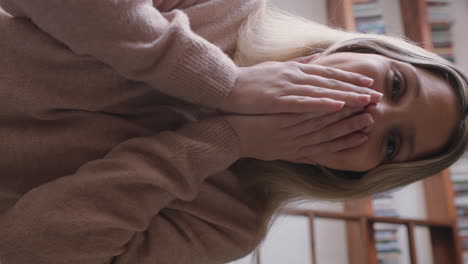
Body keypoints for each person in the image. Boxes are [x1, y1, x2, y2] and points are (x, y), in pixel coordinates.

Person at [0, 1, 466, 264]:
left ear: (361, 175)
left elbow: (26, 252)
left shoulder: (232, 226)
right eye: (396, 84)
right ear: (360, 46)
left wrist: (223, 141)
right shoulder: (227, 9)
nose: (369, 112)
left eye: (390, 144)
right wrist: (222, 85)